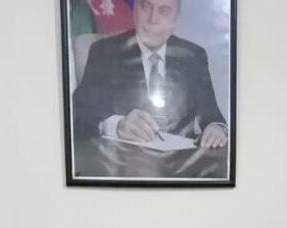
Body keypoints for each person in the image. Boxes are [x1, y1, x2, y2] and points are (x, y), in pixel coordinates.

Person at [72, 0, 228, 148]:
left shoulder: (193, 55)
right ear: (135, 11)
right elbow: (81, 117)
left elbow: (212, 116)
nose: (152, 19)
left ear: (175, 19)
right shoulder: (104, 52)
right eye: (146, 7)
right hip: (123, 161)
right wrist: (117, 125)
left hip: (181, 162)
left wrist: (216, 129)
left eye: (164, 11)